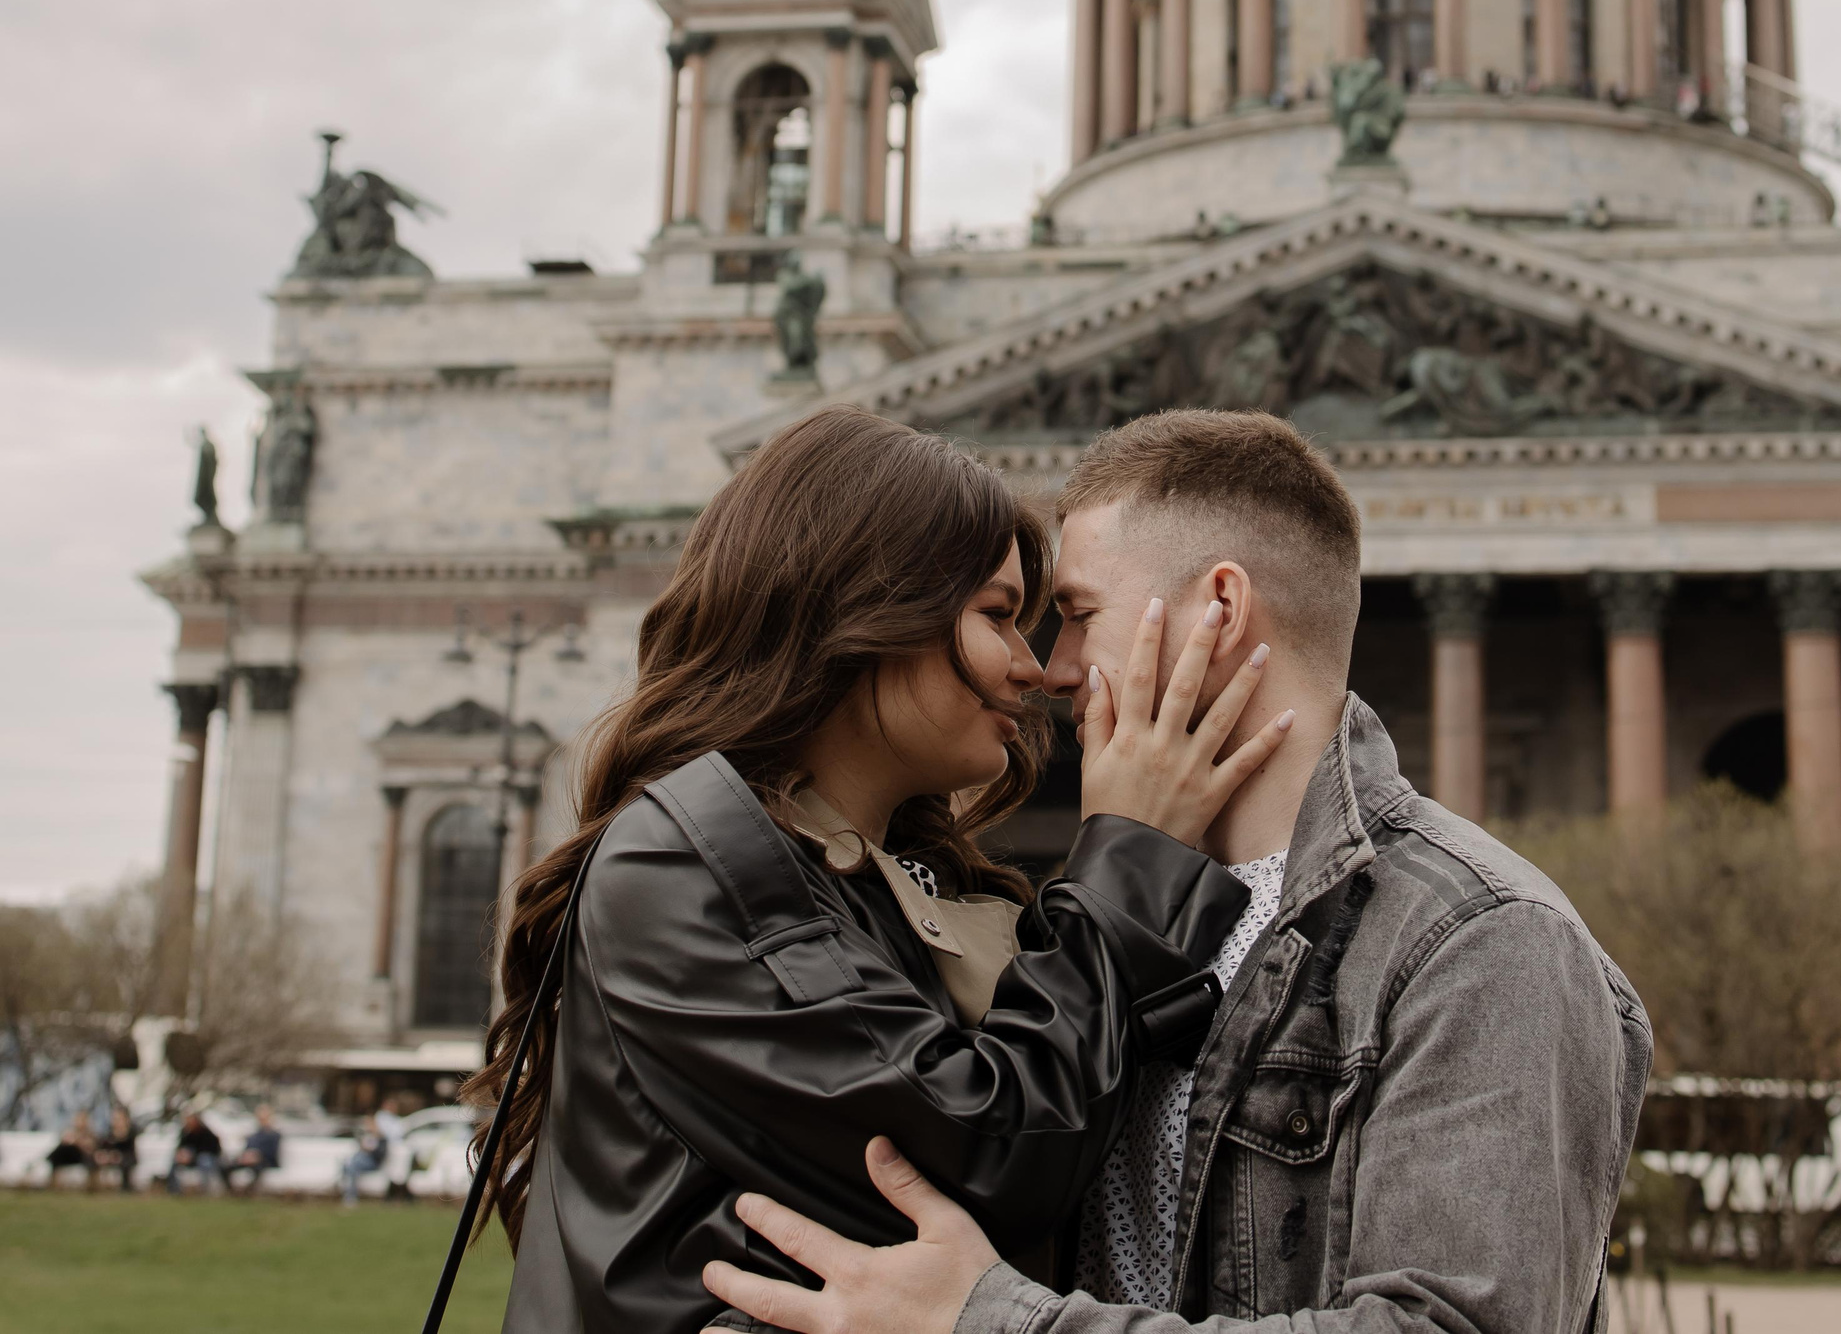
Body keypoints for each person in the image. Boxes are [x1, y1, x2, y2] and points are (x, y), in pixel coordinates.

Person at [704, 409, 1653, 1334]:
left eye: (1077, 615)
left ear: (1221, 607)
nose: (1051, 667)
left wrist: (994, 1323)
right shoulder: (1110, 927)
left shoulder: (1486, 940)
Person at [481, 406, 1297, 1334]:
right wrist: (1134, 852)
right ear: (866, 608)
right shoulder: (686, 863)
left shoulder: (883, 878)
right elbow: (985, 1151)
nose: (1034, 668)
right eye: (997, 615)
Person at [165, 1109, 227, 1195]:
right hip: (190, 1159)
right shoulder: (186, 1134)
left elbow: (212, 1150)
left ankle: (206, 1190)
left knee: (204, 1160)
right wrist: (181, 1155)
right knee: (174, 1162)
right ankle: (174, 1189)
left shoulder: (207, 1134)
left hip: (205, 1159)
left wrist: (192, 1156)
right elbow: (180, 1148)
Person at [228, 1105, 285, 1193]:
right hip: (250, 1160)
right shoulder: (254, 1134)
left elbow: (272, 1152)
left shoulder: (274, 1135)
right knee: (227, 1166)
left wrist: (257, 1156)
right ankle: (231, 1190)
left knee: (257, 1169)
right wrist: (245, 1156)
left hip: (265, 1161)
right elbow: (248, 1148)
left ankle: (249, 1191)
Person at [92, 1105, 138, 1193]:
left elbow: (131, 1153)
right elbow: (102, 1147)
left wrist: (118, 1157)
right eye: (115, 1118)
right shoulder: (109, 1134)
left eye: (119, 1118)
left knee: (125, 1163)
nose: (116, 1121)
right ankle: (94, 1188)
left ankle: (125, 1189)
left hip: (127, 1160)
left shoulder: (131, 1133)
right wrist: (103, 1155)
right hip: (110, 1159)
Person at [43, 1115, 95, 1189]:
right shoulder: (71, 1132)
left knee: (65, 1148)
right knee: (63, 1148)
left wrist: (77, 1142)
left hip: (82, 1157)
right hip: (69, 1157)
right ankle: (52, 1181)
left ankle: (48, 1158)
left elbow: (89, 1149)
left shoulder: (89, 1134)